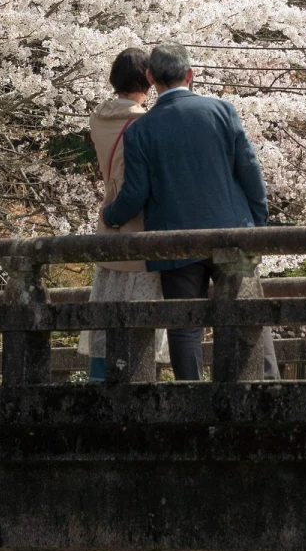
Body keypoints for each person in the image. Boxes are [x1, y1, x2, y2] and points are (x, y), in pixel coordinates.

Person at [101, 42, 279, 381]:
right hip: (231, 231)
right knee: (246, 314)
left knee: (185, 326)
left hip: (175, 238)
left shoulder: (140, 130)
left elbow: (136, 193)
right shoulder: (222, 111)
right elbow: (250, 171)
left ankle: (192, 402)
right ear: (190, 74)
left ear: (151, 78)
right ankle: (261, 389)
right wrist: (256, 222)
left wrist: (110, 216)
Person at [79, 48, 170, 379]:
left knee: (106, 310)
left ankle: (99, 380)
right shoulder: (143, 124)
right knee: (140, 315)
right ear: (148, 78)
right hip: (140, 228)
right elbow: (140, 185)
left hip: (108, 225)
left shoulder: (97, 119)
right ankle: (138, 383)